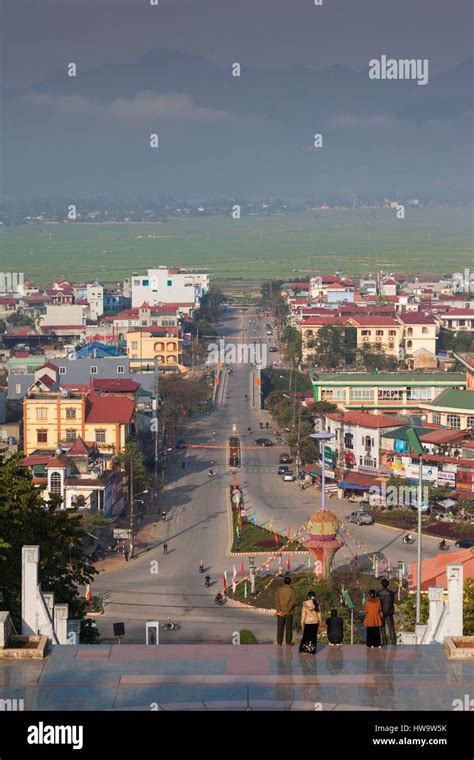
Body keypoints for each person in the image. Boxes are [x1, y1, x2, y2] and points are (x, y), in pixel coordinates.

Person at [275, 575, 296, 645]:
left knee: (280, 628)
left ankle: (279, 642)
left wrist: (279, 610)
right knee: (288, 628)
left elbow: (277, 600)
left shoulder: (279, 590)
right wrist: (287, 611)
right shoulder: (292, 591)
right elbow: (292, 602)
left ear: (284, 582)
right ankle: (288, 642)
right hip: (288, 613)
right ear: (290, 582)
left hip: (280, 612)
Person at [378, 578, 396, 646]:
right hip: (389, 612)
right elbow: (392, 602)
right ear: (388, 585)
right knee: (391, 627)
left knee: (382, 627)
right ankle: (393, 641)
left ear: (381, 584)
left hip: (381, 612)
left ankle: (384, 641)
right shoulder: (391, 593)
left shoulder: (379, 593)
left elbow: (377, 603)